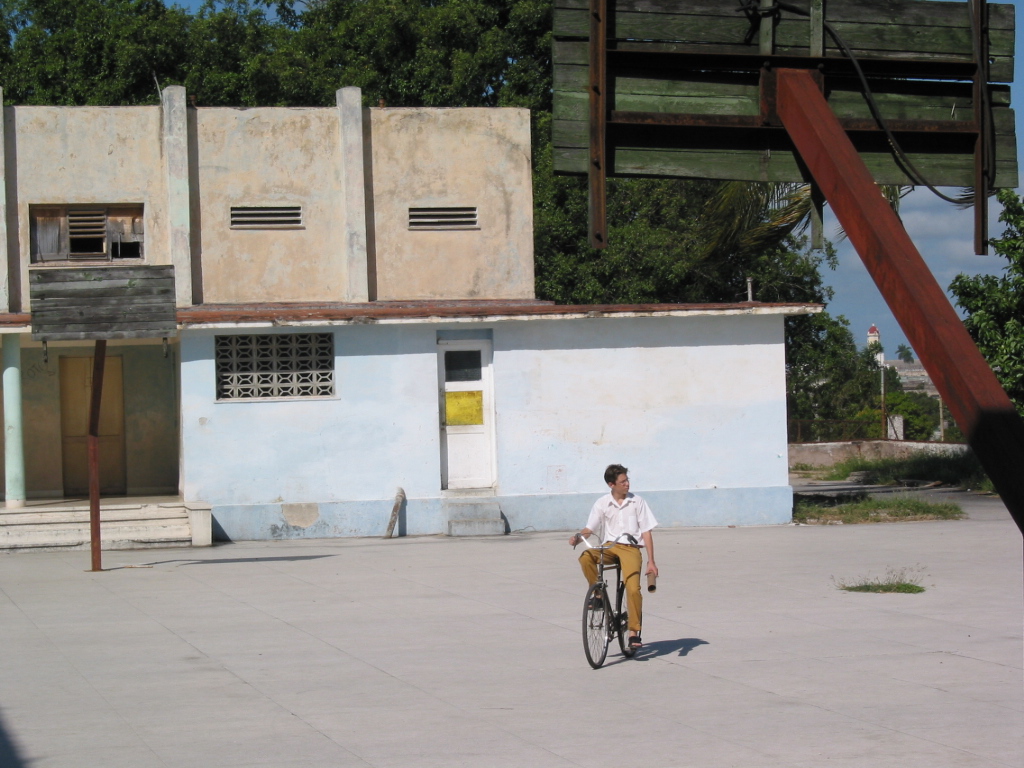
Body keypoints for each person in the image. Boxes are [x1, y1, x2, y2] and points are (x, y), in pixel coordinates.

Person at [570, 464, 658, 649]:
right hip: (609, 547)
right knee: (586, 556)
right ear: (612, 485)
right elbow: (590, 528)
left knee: (633, 589)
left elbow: (647, 532)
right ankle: (598, 593)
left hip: (630, 548)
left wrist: (651, 561)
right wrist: (578, 538)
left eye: (627, 480)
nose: (627, 484)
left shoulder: (637, 502)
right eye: (623, 481)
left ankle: (634, 633)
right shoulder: (602, 503)